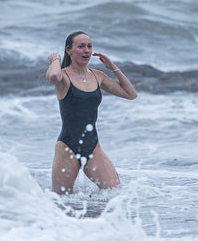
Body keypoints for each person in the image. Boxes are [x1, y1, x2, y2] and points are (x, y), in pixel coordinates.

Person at [46, 31, 137, 195]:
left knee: (115, 194)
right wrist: (55, 59)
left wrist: (113, 68)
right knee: (61, 201)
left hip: (93, 146)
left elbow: (131, 94)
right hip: (67, 147)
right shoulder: (63, 77)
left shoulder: (97, 76)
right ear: (69, 50)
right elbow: (53, 75)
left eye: (89, 46)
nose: (86, 51)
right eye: (81, 47)